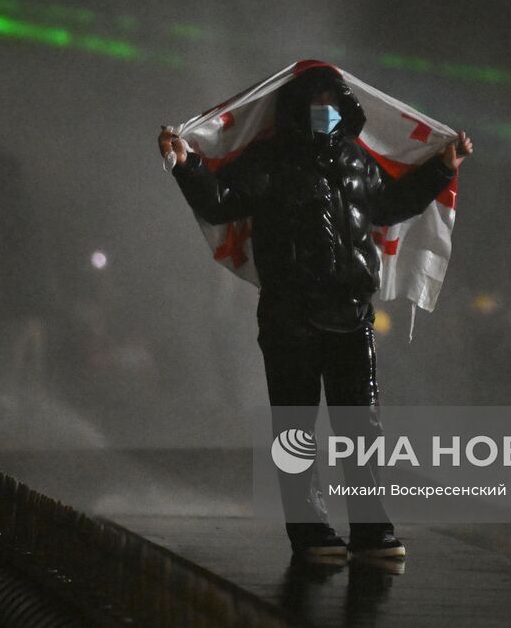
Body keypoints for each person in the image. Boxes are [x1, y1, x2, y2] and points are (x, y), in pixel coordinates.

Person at [159, 64, 471, 560]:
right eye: (314, 101)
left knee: (361, 428)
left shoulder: (355, 160)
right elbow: (222, 203)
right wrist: (186, 165)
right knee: (296, 429)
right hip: (290, 315)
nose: (323, 111)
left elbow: (391, 205)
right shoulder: (270, 159)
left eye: (331, 100)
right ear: (294, 110)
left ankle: (371, 531)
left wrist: (441, 167)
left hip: (351, 313)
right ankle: (310, 532)